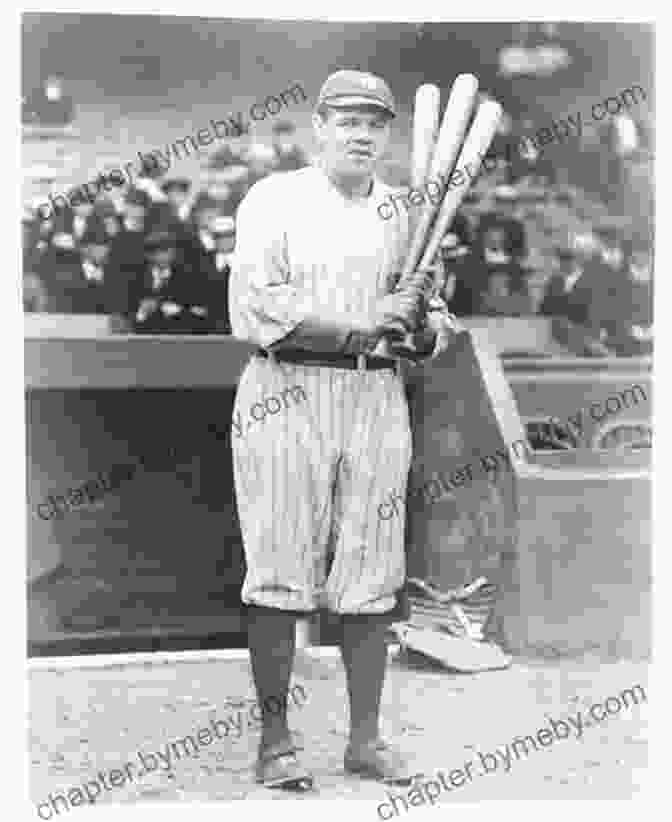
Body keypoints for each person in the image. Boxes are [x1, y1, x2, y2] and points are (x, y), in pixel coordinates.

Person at [230, 69, 458, 790]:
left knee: (372, 571)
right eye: (346, 120)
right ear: (318, 128)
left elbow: (439, 326)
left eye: (374, 124)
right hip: (285, 389)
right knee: (278, 566)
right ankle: (276, 743)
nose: (360, 133)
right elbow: (258, 310)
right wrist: (365, 324)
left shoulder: (407, 213)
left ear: (389, 137)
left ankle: (365, 739)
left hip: (376, 396)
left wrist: (420, 326)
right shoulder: (274, 199)